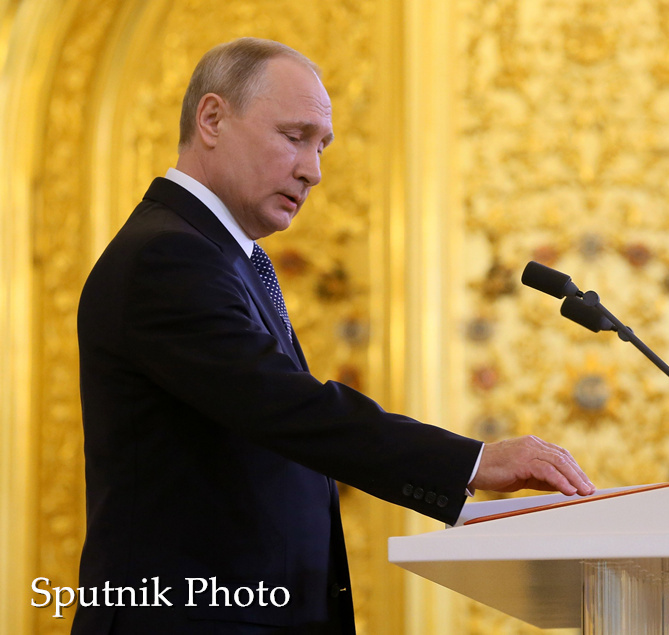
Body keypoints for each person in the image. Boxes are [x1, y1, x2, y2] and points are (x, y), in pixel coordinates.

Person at [72, 37, 594, 635]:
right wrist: (472, 461)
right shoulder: (167, 257)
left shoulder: (217, 254)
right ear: (211, 119)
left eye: (321, 146)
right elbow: (289, 409)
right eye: (294, 137)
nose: (312, 171)